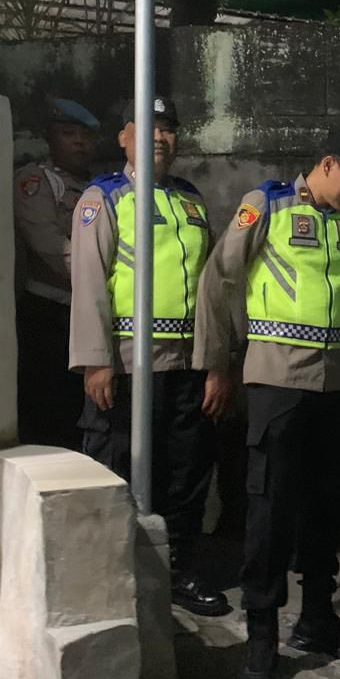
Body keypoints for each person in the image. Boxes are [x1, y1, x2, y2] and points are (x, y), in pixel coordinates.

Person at [193, 127, 340, 679]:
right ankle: (261, 639)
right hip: (277, 380)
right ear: (327, 163)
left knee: (328, 502)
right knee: (270, 508)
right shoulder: (268, 205)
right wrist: (218, 363)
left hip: (335, 382)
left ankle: (318, 617)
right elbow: (219, 279)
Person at [68, 95, 229, 618]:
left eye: (168, 129)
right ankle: (111, 578)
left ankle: (179, 571)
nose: (159, 137)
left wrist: (215, 361)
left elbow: (209, 287)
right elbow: (89, 281)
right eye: (147, 127)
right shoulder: (104, 197)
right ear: (124, 137)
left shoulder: (190, 200)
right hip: (128, 366)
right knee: (117, 469)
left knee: (186, 473)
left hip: (186, 365)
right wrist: (96, 360)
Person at [13, 98, 99, 450]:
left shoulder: (101, 187)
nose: (78, 142)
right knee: (49, 414)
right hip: (48, 313)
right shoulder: (37, 181)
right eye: (68, 133)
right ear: (50, 138)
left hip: (87, 311)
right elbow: (50, 246)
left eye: (85, 135)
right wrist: (102, 285)